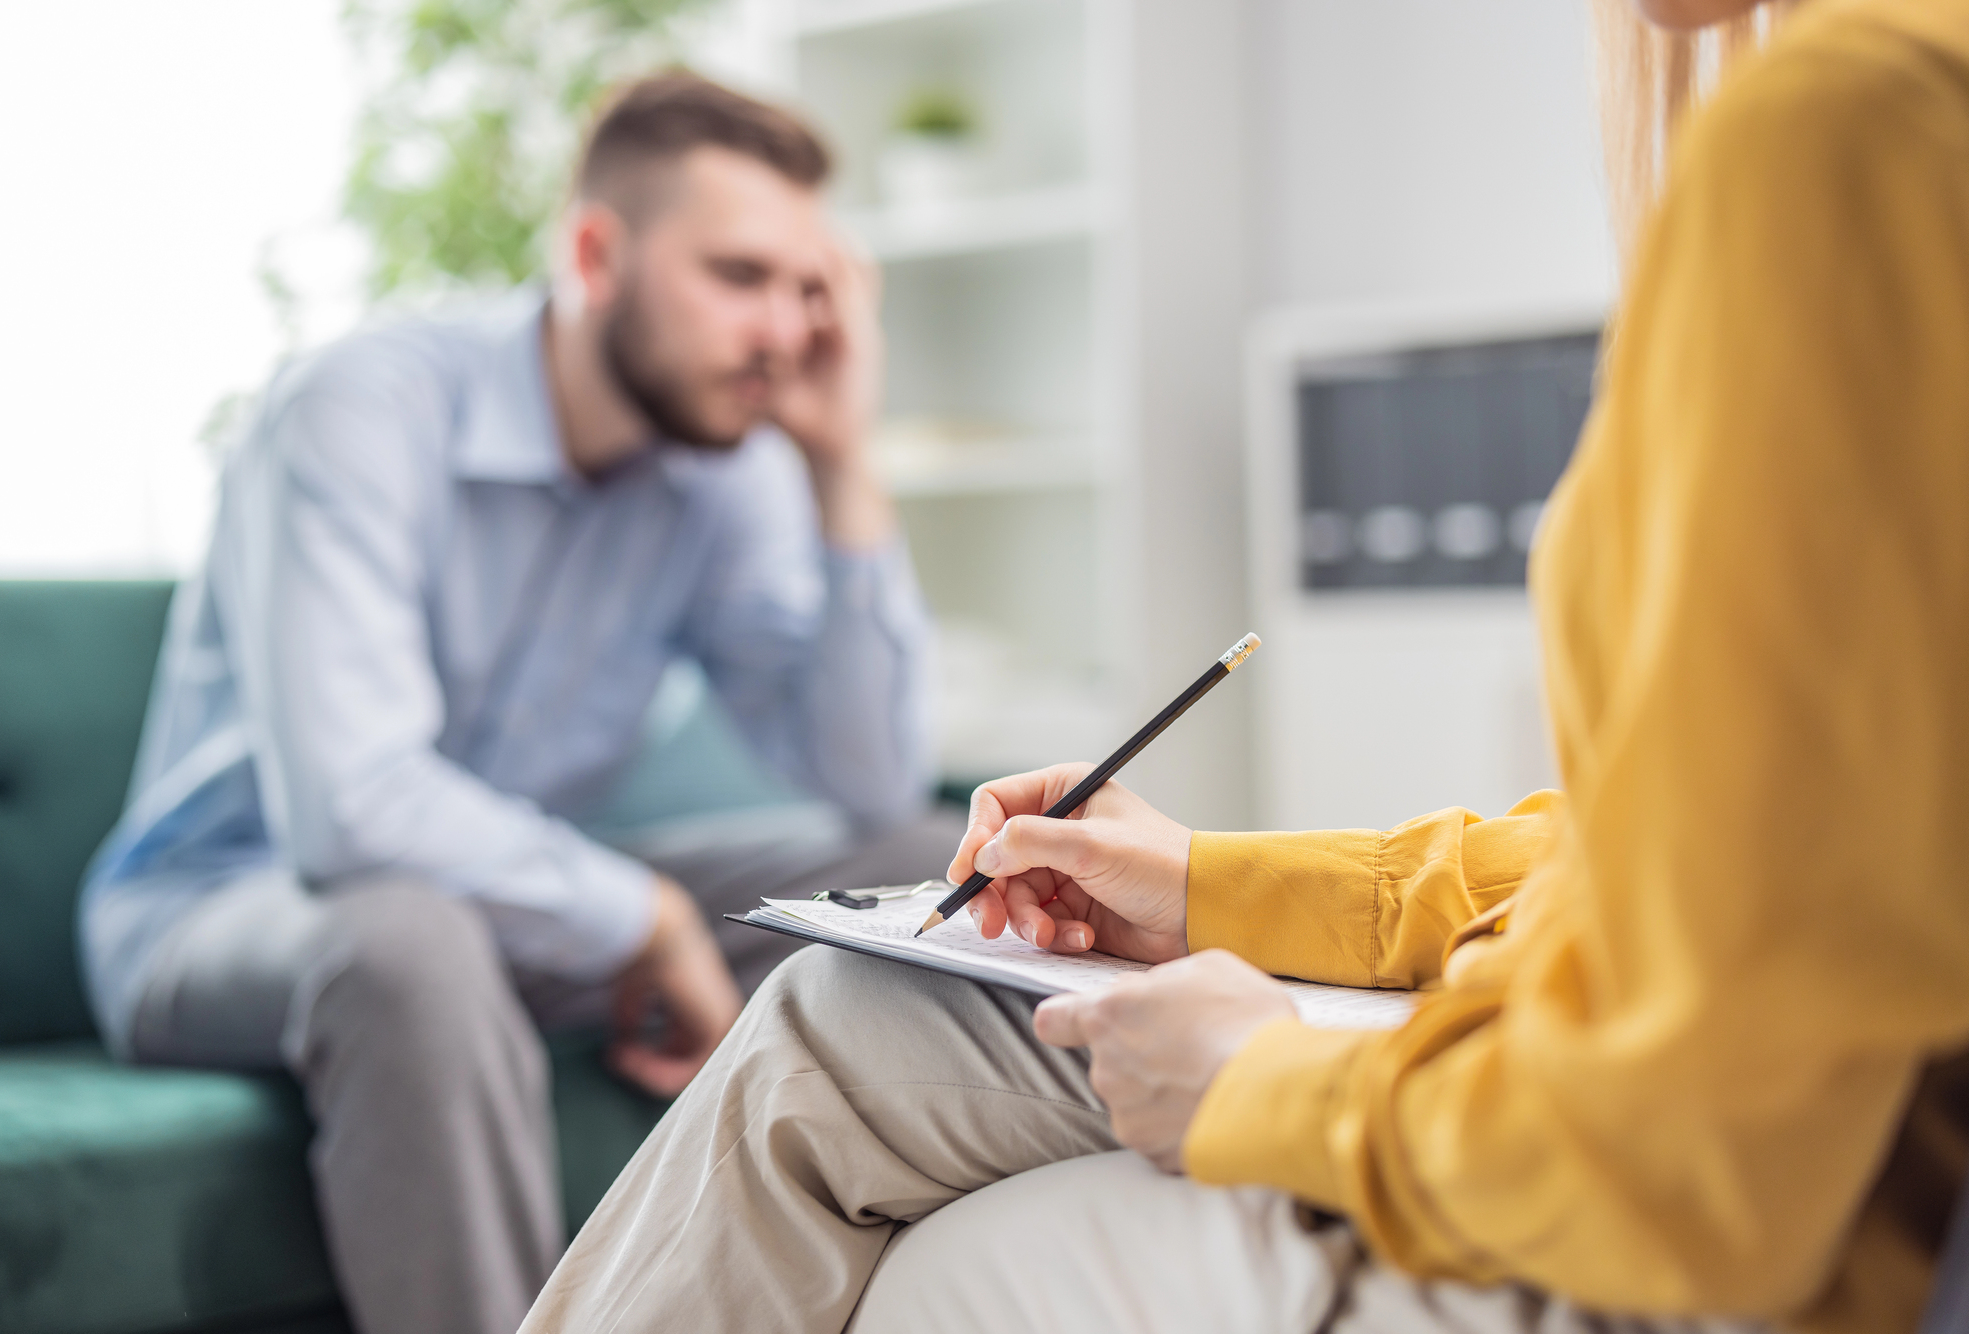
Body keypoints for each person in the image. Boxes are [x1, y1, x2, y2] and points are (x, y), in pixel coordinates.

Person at [520, 0, 1969, 1330]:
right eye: (740, 276)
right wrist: (1214, 883)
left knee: (906, 1185)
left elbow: (1703, 1152)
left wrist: (1267, 1082)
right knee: (855, 1017)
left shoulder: (1846, 128)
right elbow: (1680, 859)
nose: (780, 327)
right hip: (1620, 1093)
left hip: (1688, 1224)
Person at [78, 72, 958, 1334]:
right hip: (224, 906)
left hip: (504, 907)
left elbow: (866, 780)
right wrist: (641, 914)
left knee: (929, 865)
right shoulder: (359, 409)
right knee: (410, 938)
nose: (780, 330)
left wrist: (841, 464)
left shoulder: (724, 462)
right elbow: (353, 810)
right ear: (596, 255)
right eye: (738, 276)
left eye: (804, 288)